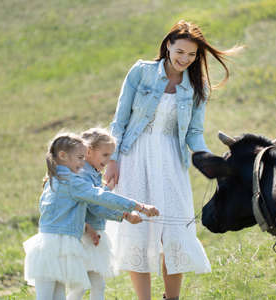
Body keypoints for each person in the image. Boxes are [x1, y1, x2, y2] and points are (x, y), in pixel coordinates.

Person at [104, 20, 242, 300]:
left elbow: (193, 133)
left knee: (175, 232)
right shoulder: (141, 72)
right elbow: (119, 122)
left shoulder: (196, 86)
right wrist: (113, 159)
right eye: (180, 52)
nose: (184, 59)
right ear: (168, 45)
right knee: (138, 230)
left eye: (191, 55)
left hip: (170, 161)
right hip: (134, 157)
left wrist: (208, 160)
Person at [23, 132, 158, 300]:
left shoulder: (54, 179)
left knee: (54, 296)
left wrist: (87, 227)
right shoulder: (72, 182)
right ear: (63, 156)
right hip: (57, 246)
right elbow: (100, 197)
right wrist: (139, 206)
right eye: (80, 157)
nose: (83, 162)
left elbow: (61, 215)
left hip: (51, 244)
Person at [68, 127, 145, 300]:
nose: (109, 159)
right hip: (84, 235)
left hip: (94, 235)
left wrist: (106, 189)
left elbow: (98, 196)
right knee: (80, 285)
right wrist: (124, 214)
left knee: (98, 284)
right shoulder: (83, 174)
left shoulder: (93, 173)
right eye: (105, 155)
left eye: (111, 155)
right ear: (88, 151)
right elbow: (96, 205)